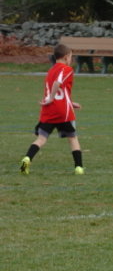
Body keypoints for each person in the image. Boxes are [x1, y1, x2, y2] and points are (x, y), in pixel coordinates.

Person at [19, 43, 84, 175]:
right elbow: (57, 83)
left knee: (41, 139)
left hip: (49, 110)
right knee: (72, 139)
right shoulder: (66, 69)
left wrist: (70, 103)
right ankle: (79, 167)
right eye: (71, 57)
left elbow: (59, 91)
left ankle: (27, 158)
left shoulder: (51, 71)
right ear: (66, 57)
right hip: (63, 112)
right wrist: (52, 98)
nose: (71, 59)